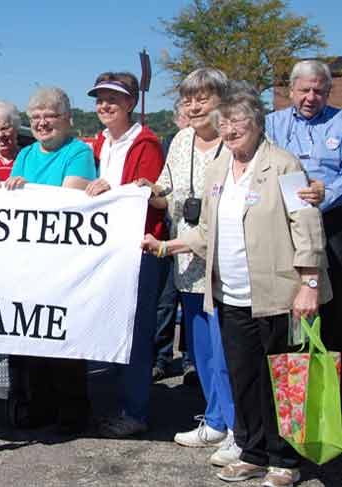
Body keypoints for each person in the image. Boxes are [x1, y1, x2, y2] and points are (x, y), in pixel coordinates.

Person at [142, 85, 330, 487]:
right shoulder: (218, 172)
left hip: (279, 296)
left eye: (236, 121)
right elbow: (206, 230)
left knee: (280, 379)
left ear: (258, 124)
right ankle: (251, 452)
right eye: (223, 122)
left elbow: (308, 227)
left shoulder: (283, 165)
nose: (228, 129)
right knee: (244, 379)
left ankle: (284, 460)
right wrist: (165, 247)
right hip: (229, 296)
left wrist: (309, 283)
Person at [139, 68, 239, 465]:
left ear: (223, 101)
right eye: (188, 99)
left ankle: (237, 428)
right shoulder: (180, 140)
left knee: (227, 349)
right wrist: (145, 192)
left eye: (204, 98)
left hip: (223, 260)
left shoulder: (233, 143)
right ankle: (215, 419)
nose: (195, 106)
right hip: (185, 258)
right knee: (201, 349)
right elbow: (165, 190)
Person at [0, 87, 95, 434]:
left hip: (62, 262)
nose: (41, 123)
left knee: (61, 336)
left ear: (67, 119)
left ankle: (71, 411)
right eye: (36, 117)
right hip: (26, 263)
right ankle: (33, 405)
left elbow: (65, 202)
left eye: (49, 116)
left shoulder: (78, 152)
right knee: (28, 334)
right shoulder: (23, 156)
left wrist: (27, 193)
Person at [83, 72, 166, 438]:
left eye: (113, 99)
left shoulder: (145, 143)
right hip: (105, 249)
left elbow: (148, 194)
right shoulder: (97, 144)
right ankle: (107, 405)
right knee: (104, 325)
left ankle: (135, 410)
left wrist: (111, 189)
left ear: (131, 103)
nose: (105, 105)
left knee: (136, 329)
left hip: (137, 247)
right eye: (100, 99)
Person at [266, 59, 342, 353]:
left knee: (332, 297)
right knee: (289, 293)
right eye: (305, 90)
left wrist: (329, 193)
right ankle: (291, 361)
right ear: (290, 90)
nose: (311, 97)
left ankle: (330, 361)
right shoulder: (271, 124)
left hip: (331, 219)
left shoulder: (339, 121)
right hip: (284, 221)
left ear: (328, 91)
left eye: (319, 91)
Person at [153, 98, 192, 383]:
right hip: (168, 233)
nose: (189, 125)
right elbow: (160, 187)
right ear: (177, 120)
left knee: (192, 304)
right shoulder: (170, 144)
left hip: (196, 238)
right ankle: (161, 357)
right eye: (185, 119)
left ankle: (190, 362)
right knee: (165, 303)